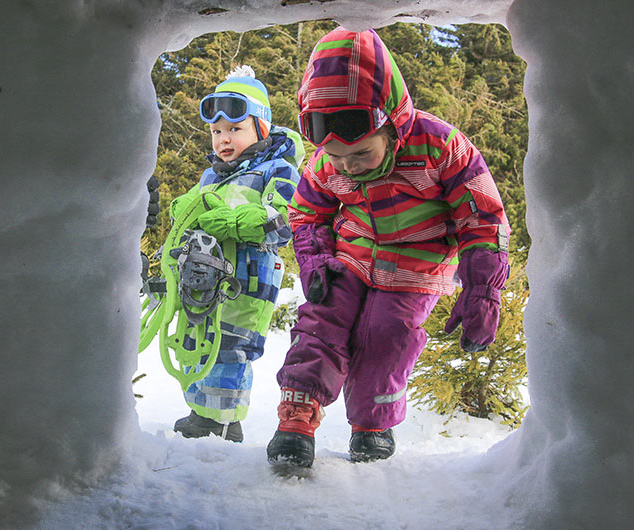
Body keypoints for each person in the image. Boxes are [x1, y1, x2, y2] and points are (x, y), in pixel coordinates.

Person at [266, 28, 510, 467]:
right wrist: (316, 258)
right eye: (337, 157)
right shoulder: (327, 160)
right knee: (322, 321)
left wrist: (482, 289)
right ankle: (297, 416)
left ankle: (372, 424)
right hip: (350, 257)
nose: (347, 166)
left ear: (392, 124)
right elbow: (305, 213)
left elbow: (483, 217)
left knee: (387, 337)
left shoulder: (442, 146)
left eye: (360, 155)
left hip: (418, 266)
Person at [170, 66, 303, 442]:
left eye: (235, 129)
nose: (223, 139)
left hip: (250, 278)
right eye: (216, 132)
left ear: (261, 128)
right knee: (199, 338)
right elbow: (194, 212)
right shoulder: (212, 175)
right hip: (207, 275)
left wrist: (239, 221)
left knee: (232, 345)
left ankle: (223, 421)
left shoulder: (278, 169)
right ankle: (202, 411)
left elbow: (286, 218)